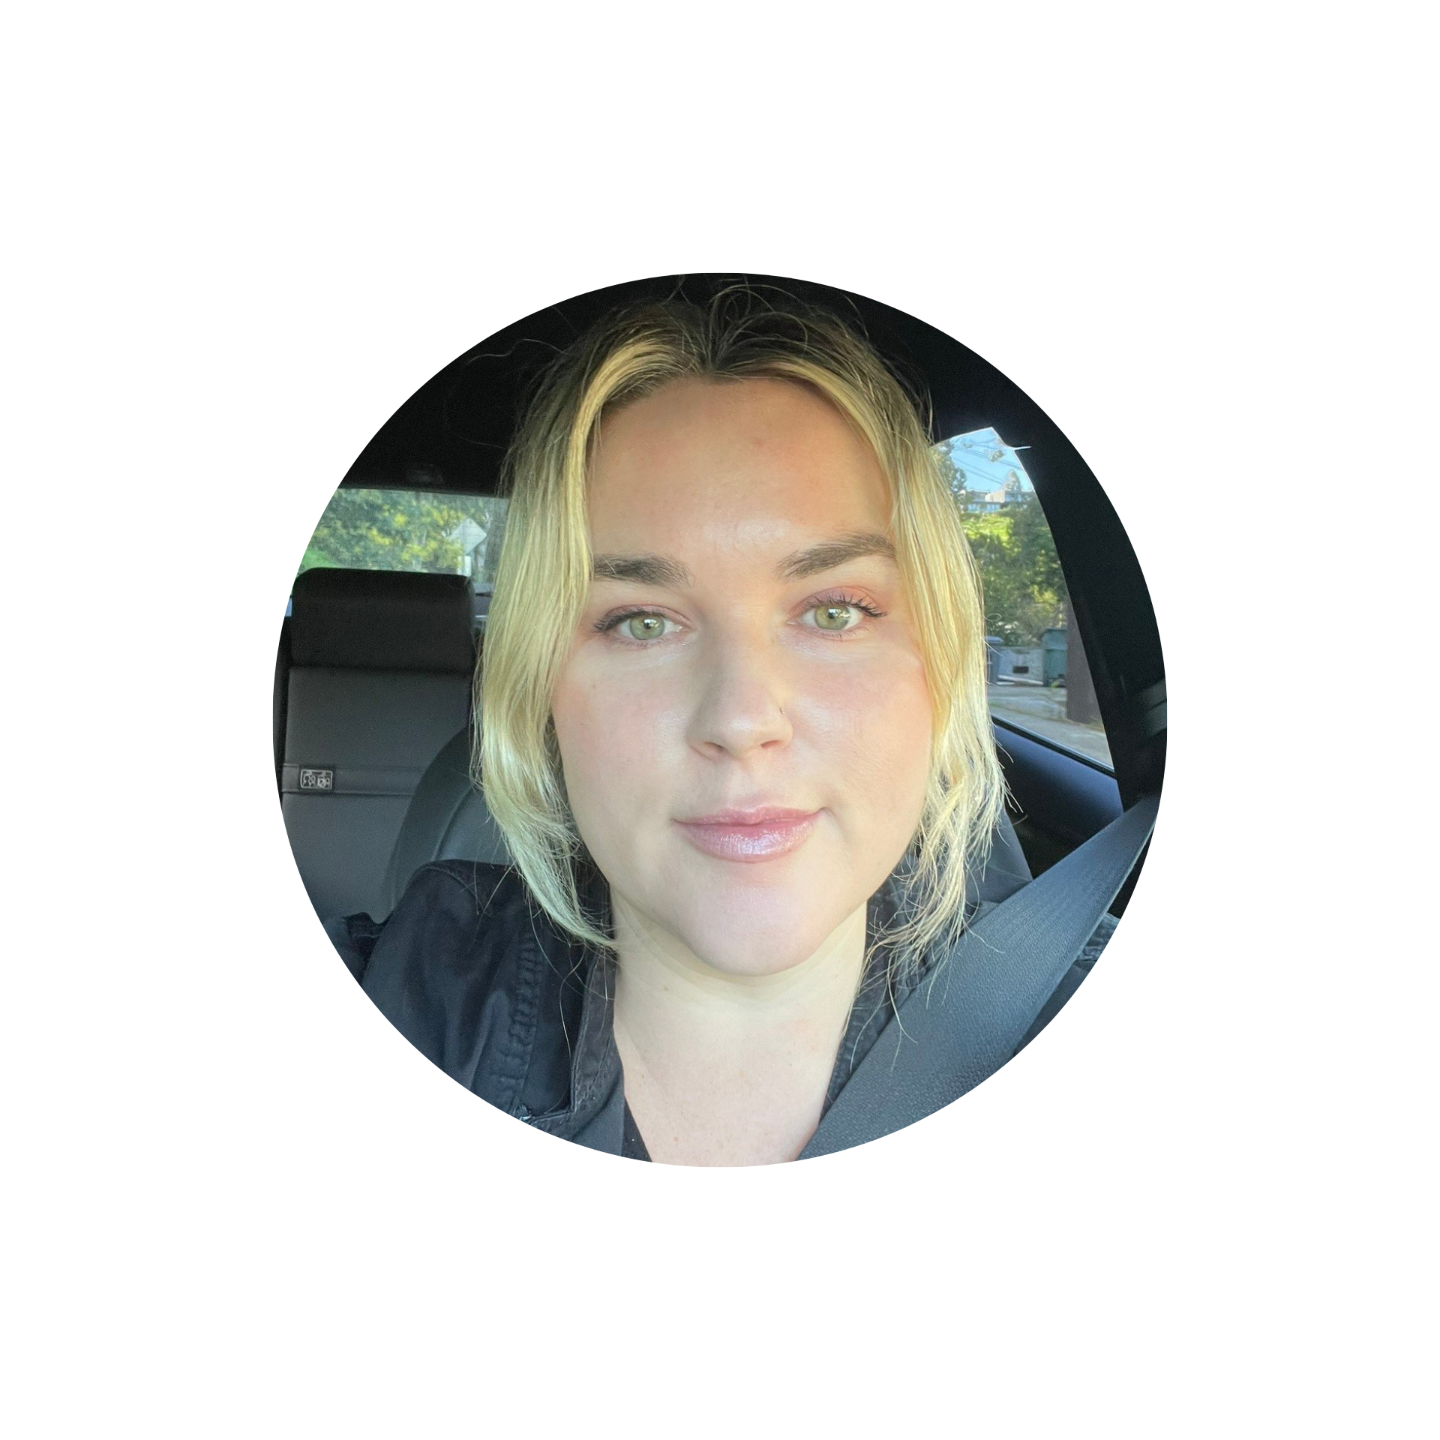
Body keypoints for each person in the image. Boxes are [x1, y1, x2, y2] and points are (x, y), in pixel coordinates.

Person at [325, 278, 1235, 1165]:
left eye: (834, 611)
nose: (741, 719)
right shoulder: (413, 994)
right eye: (641, 622)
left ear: (940, 661)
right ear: (545, 693)